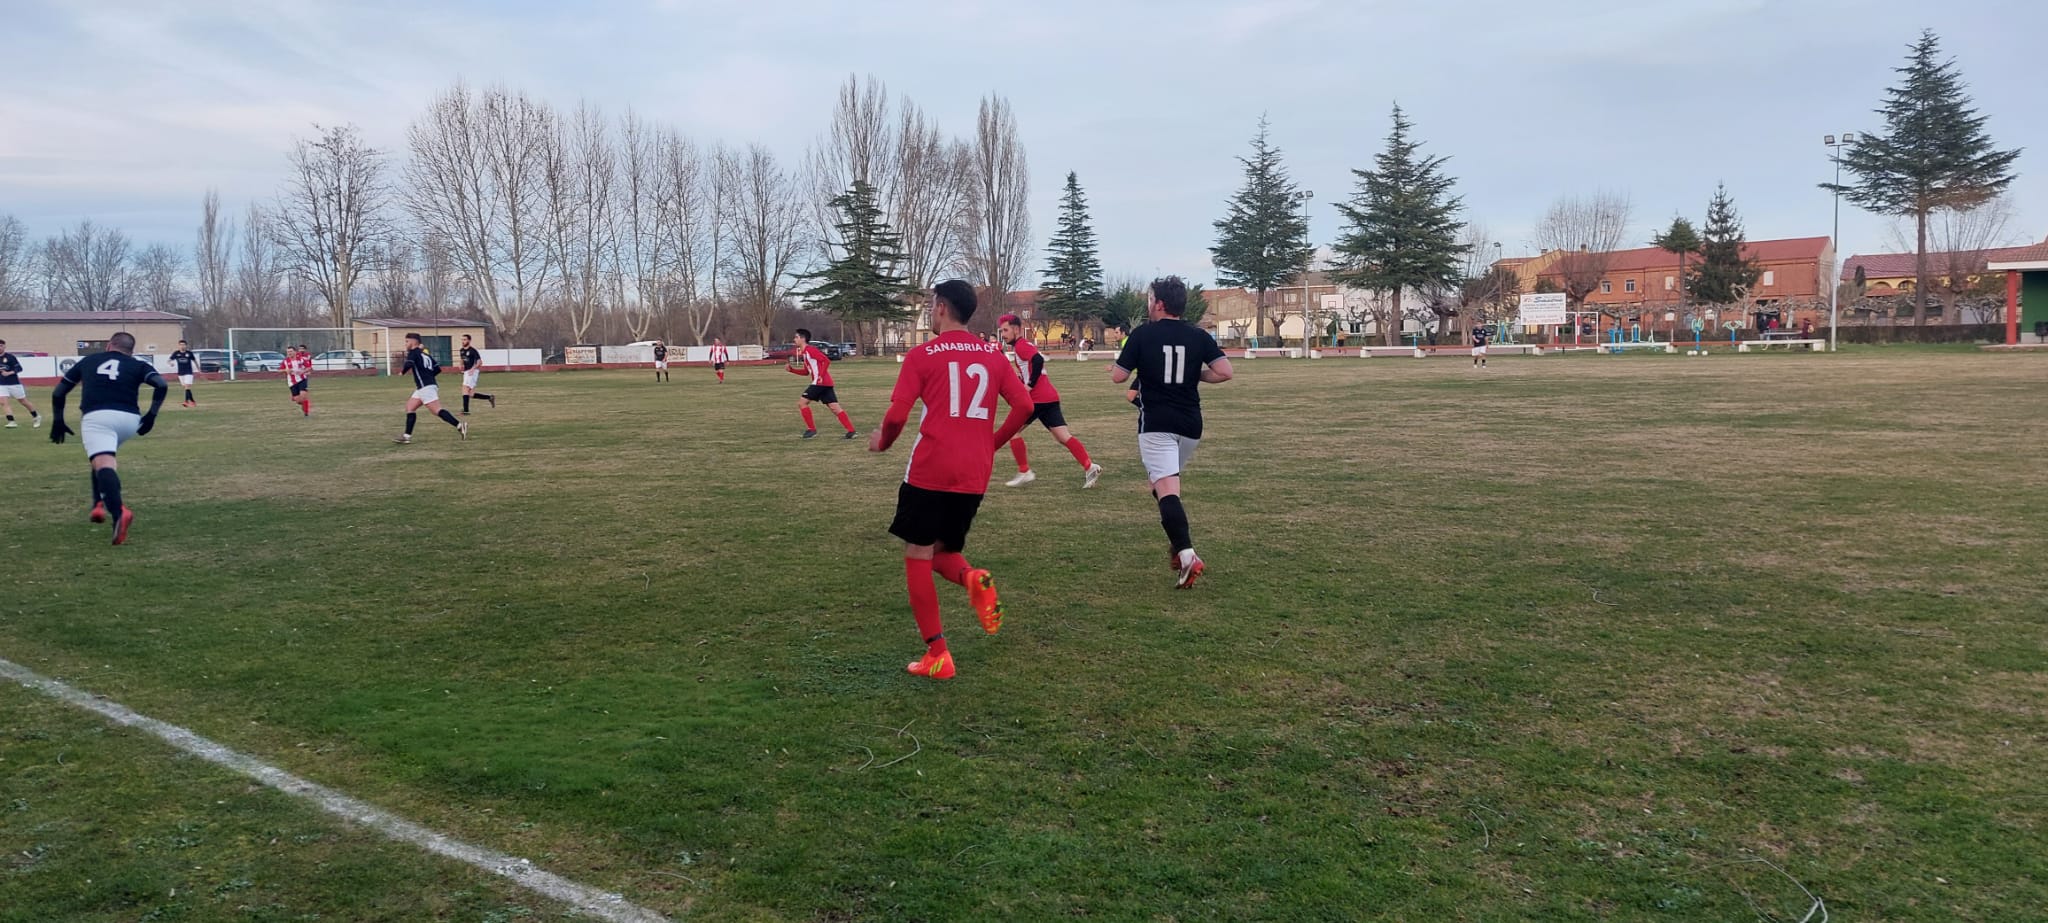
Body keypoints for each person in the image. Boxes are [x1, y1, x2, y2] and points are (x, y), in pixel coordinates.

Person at [869, 280, 1035, 680]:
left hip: (930, 469)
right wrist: (991, 443)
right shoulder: (994, 355)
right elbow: (1025, 405)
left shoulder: (922, 354)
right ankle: (971, 577)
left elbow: (895, 416)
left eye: (931, 304)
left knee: (917, 555)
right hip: (973, 473)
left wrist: (884, 443)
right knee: (942, 552)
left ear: (941, 307)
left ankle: (937, 655)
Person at [1110, 276, 1233, 589]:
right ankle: (1178, 546)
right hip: (1191, 425)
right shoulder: (1198, 335)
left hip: (1157, 424)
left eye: (1150, 299)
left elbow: (1117, 377)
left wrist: (1137, 363)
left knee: (1166, 489)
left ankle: (1187, 553)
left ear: (1160, 304)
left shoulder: (1142, 334)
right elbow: (1224, 372)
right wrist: (1196, 375)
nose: (1148, 303)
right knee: (1163, 483)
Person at [47, 332, 167, 545]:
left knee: (103, 463)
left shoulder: (89, 360)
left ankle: (119, 512)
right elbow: (161, 385)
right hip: (129, 419)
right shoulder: (138, 365)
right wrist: (151, 416)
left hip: (98, 417)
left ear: (110, 345)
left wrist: (58, 420)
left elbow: (59, 393)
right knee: (101, 461)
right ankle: (98, 504)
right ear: (131, 350)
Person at [996, 313, 1101, 489]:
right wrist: (1023, 381)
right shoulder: (1023, 346)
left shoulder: (1021, 346)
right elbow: (1033, 365)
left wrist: (1029, 385)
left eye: (1005, 330)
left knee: (1012, 433)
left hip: (1037, 400)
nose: (1003, 334)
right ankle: (1090, 466)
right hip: (1049, 397)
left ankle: (1024, 471)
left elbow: (1037, 360)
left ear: (1016, 329)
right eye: (1001, 331)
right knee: (1063, 437)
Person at [392, 333, 467, 444]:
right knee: (410, 407)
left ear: (413, 342)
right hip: (425, 386)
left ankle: (460, 426)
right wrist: (428, 376)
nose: (405, 344)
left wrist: (402, 372)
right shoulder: (425, 355)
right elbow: (437, 369)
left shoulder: (413, 353)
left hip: (425, 387)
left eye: (407, 341)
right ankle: (406, 436)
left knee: (437, 410)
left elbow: (409, 363)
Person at [788, 328, 857, 440]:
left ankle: (811, 430)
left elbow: (826, 360)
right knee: (835, 407)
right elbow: (806, 372)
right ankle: (851, 431)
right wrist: (792, 370)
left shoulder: (810, 350)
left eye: (796, 337)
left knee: (802, 403)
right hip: (825, 383)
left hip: (819, 383)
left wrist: (820, 376)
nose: (794, 339)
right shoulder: (805, 353)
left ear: (802, 338)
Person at [0, 338, 42, 429]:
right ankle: (11, 421)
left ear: (4, 346)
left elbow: (19, 369)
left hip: (14, 384)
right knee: (3, 402)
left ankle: (36, 416)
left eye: (1, 346)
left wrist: (8, 373)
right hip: (2, 384)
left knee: (23, 401)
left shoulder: (10, 357)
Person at [458, 334, 496, 415]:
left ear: (469, 340)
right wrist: (460, 365)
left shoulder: (473, 351)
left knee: (465, 389)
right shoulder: (461, 350)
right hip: (466, 372)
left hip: (472, 372)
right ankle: (489, 397)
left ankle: (466, 411)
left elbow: (480, 362)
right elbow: (462, 359)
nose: (463, 341)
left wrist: (472, 369)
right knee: (471, 394)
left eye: (464, 339)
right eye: (462, 340)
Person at [284, 344, 313, 417]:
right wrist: (286, 370)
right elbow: (279, 370)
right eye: (288, 352)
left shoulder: (304, 357)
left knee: (303, 396)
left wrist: (304, 371)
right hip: (292, 381)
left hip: (302, 378)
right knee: (298, 401)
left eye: (291, 351)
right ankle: (300, 401)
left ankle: (306, 413)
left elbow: (309, 366)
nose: (289, 353)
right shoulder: (286, 360)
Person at [169, 340, 199, 407]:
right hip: (180, 373)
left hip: (189, 372)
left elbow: (195, 361)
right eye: (181, 345)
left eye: (183, 345)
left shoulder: (189, 353)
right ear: (179, 345)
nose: (182, 346)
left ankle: (186, 401)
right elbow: (169, 360)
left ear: (186, 345)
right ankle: (193, 401)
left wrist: (199, 369)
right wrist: (170, 363)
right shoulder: (176, 353)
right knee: (186, 388)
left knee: (187, 386)